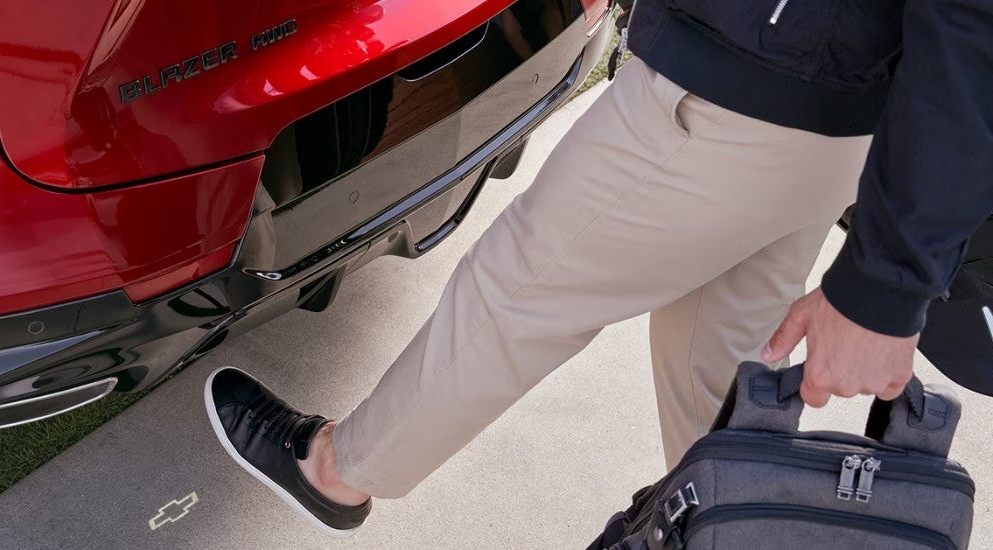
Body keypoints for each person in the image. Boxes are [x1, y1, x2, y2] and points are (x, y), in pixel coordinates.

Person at [204, 0, 993, 537]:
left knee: (518, 289)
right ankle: (734, 536)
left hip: (739, 95)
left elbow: (973, 27)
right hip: (815, 108)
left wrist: (887, 289)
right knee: (716, 365)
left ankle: (336, 469)